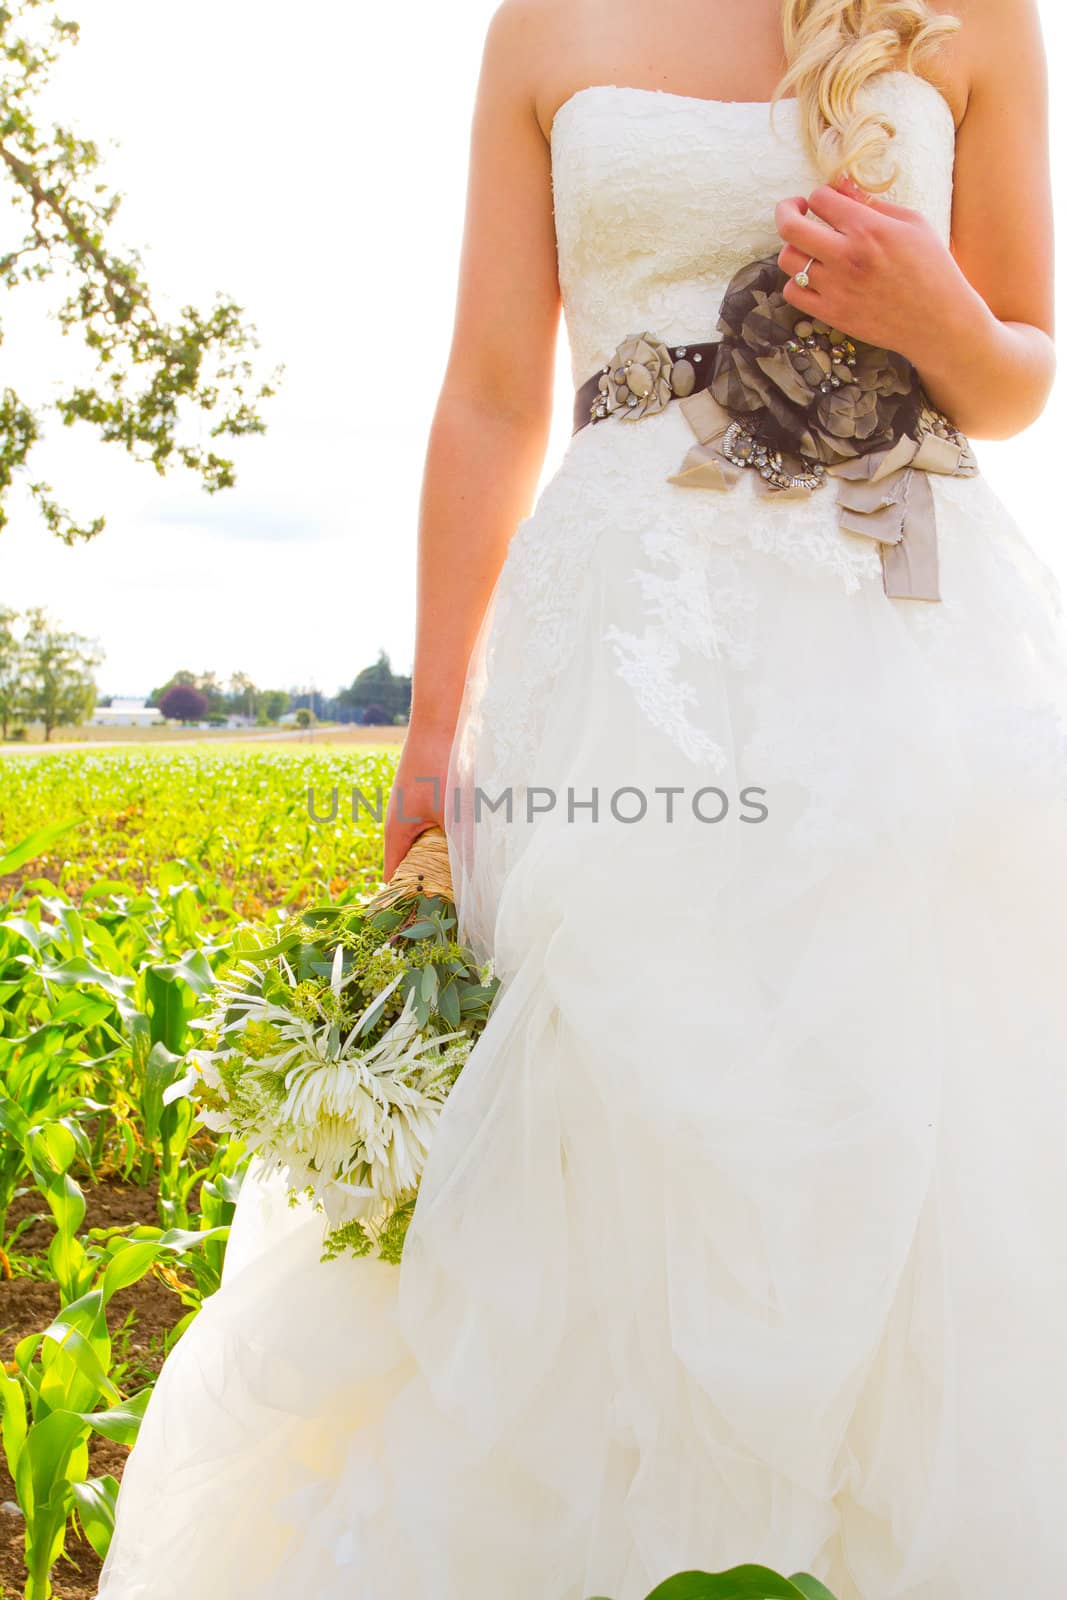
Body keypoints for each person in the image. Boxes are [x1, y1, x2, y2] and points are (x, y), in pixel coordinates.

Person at [98, 1, 1065, 1596]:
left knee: (909, 1110)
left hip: (897, 652)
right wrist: (432, 728)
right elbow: (490, 390)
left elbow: (1023, 363)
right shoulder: (540, 26)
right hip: (615, 659)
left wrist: (934, 309)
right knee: (599, 1096)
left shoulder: (970, 15)